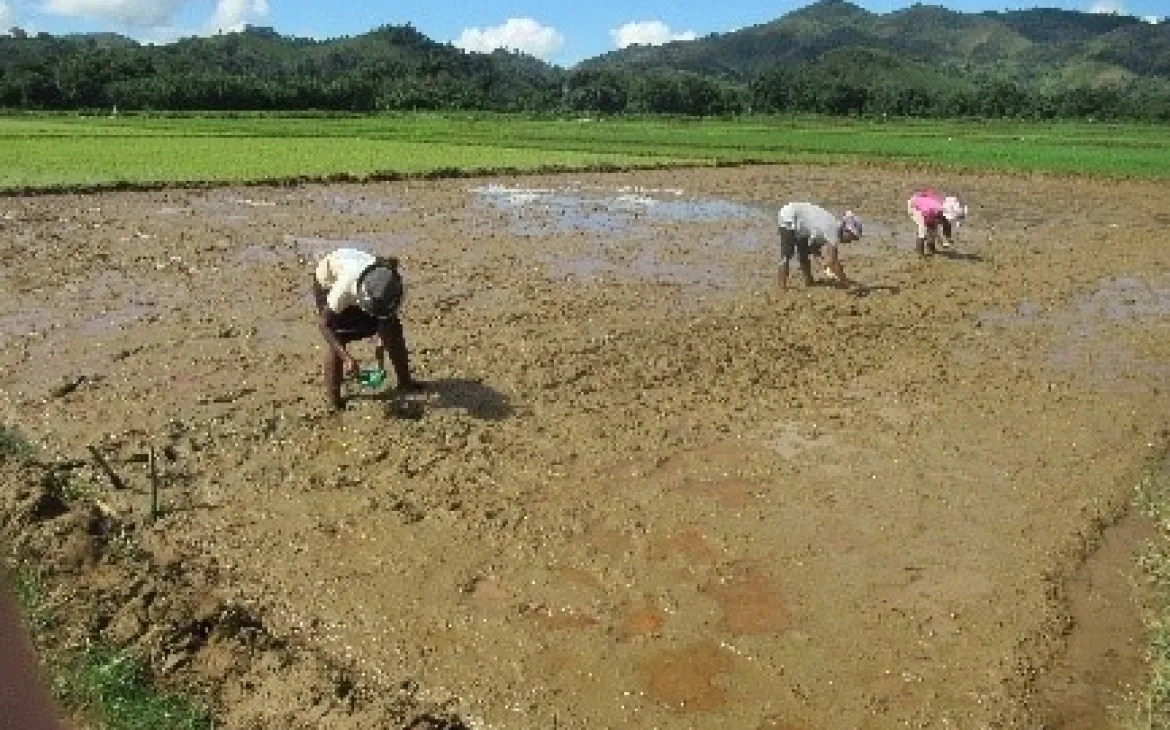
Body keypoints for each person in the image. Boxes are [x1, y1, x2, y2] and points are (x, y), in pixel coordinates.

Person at [312, 248, 423, 411]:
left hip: (361, 276)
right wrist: (347, 358)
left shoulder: (396, 285)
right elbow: (324, 325)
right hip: (328, 279)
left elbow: (388, 317)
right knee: (339, 335)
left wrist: (382, 341)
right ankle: (334, 400)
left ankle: (405, 382)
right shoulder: (344, 289)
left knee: (393, 329)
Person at [776, 202, 863, 290]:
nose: (850, 241)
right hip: (789, 216)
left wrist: (823, 263)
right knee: (787, 254)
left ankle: (809, 280)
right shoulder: (832, 230)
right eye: (851, 237)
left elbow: (812, 247)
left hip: (802, 223)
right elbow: (833, 262)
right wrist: (847, 283)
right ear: (845, 230)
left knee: (804, 252)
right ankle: (782, 286)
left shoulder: (826, 230)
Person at [907, 189, 967, 255]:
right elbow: (930, 226)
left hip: (927, 204)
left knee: (934, 227)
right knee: (924, 230)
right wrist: (941, 242)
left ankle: (931, 248)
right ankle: (920, 252)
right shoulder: (929, 210)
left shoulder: (946, 207)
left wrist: (948, 238)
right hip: (916, 206)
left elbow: (946, 224)